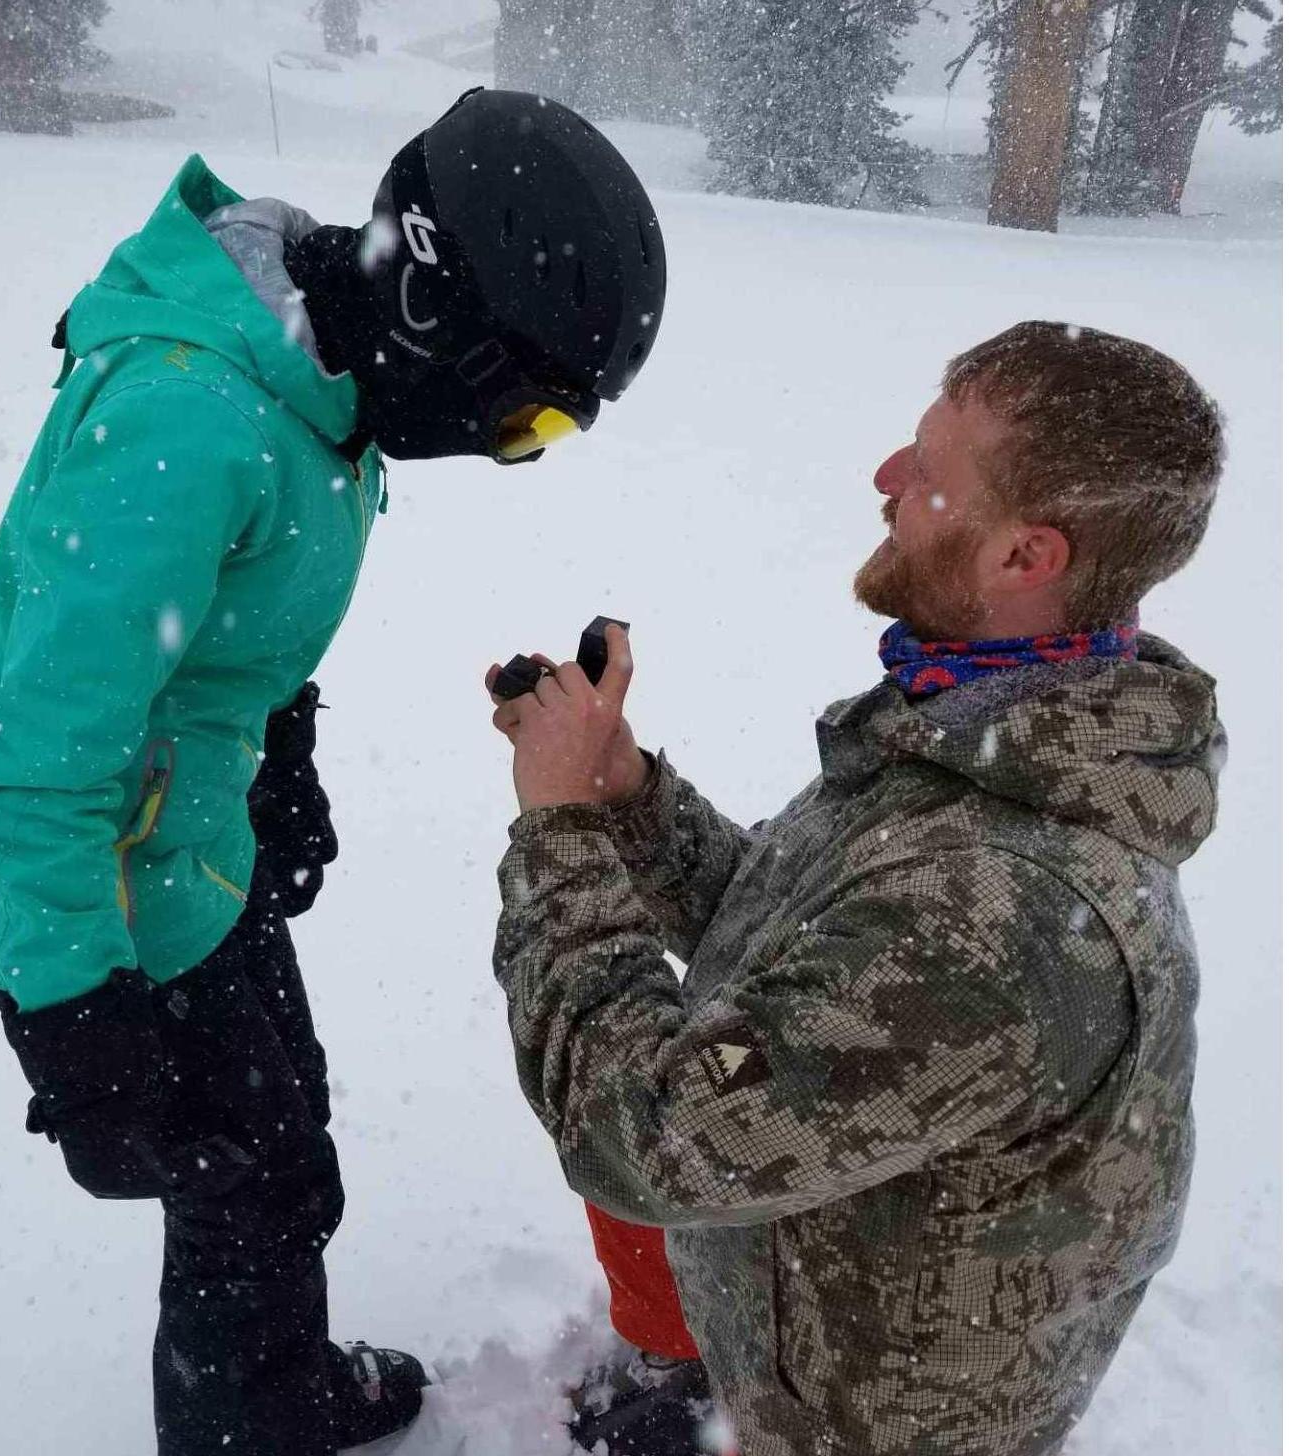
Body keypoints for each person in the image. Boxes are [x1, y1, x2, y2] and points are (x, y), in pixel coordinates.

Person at [0, 87, 666, 1456]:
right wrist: (76, 1024)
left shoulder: (316, 378)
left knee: (279, 1136)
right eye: (527, 426)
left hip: (185, 843)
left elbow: (212, 621)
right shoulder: (188, 422)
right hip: (82, 895)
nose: (512, 456)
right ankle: (245, 1423)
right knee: (242, 1186)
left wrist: (278, 747)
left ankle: (273, 1381)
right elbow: (33, 762)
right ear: (432, 308)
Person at [485, 322, 1226, 1456]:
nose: (886, 478)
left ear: (1025, 557)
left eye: (927, 473)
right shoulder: (993, 726)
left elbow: (642, 1130)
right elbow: (808, 951)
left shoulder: (998, 909)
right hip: (805, 1338)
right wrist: (628, 795)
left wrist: (563, 831)